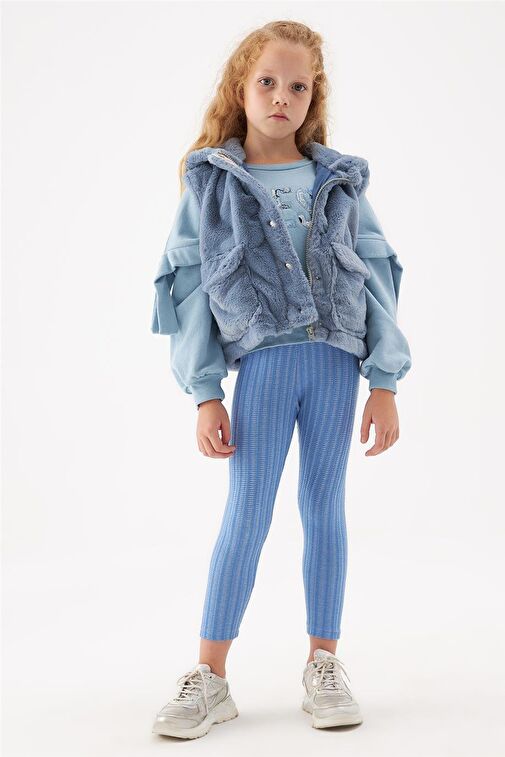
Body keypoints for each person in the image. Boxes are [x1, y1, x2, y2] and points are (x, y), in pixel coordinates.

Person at [150, 20, 412, 739]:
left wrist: (384, 380)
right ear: (241, 87)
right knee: (247, 511)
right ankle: (210, 676)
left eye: (298, 86)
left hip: (335, 364)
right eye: (267, 81)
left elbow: (377, 274)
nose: (281, 97)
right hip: (262, 367)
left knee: (324, 507)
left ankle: (323, 663)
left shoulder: (339, 180)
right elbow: (188, 289)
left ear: (312, 98)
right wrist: (205, 392)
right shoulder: (211, 181)